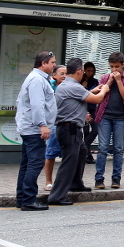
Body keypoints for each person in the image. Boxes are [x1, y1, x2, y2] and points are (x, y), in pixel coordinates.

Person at [47, 59, 109, 206]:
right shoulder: (74, 86)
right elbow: (97, 99)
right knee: (68, 162)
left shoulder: (68, 85)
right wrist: (105, 89)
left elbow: (82, 96)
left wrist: (91, 90)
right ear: (79, 71)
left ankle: (75, 183)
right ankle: (56, 195)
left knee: (81, 152)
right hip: (70, 129)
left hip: (70, 128)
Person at [13, 51, 56, 211]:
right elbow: (37, 105)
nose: (54, 65)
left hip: (30, 128)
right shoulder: (37, 80)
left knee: (26, 164)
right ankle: (29, 199)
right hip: (34, 129)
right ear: (43, 63)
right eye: (52, 62)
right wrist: (42, 125)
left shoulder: (36, 78)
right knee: (36, 163)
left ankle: (22, 197)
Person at [94, 51, 124, 190]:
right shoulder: (105, 78)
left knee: (118, 149)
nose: (114, 70)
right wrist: (109, 81)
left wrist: (118, 81)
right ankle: (99, 179)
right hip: (105, 116)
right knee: (102, 148)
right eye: (111, 67)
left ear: (123, 65)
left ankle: (116, 179)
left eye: (117, 66)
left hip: (120, 118)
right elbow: (100, 94)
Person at [43, 64, 67, 191]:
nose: (64, 76)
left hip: (66, 123)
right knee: (50, 153)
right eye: (61, 73)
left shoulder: (70, 87)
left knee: (67, 155)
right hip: (53, 124)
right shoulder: (49, 87)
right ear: (54, 76)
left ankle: (62, 182)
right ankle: (48, 181)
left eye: (66, 74)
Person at [80, 62, 99, 163]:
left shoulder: (95, 81)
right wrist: (83, 86)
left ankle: (84, 147)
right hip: (83, 108)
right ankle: (87, 155)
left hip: (92, 107)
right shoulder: (80, 81)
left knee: (96, 129)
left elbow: (97, 93)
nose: (89, 73)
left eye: (92, 71)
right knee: (85, 131)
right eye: (88, 71)